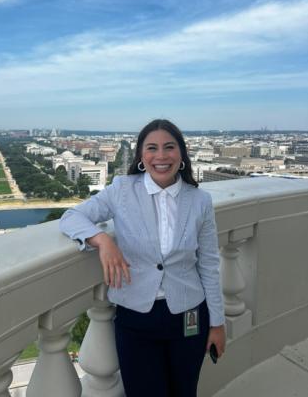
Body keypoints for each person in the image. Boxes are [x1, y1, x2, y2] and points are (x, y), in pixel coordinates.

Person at [59, 119, 226, 396]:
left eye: (169, 147)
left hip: (190, 316)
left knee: (185, 391)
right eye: (152, 148)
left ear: (182, 154)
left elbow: (208, 264)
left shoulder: (200, 201)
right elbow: (72, 217)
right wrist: (102, 242)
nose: (161, 156)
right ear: (141, 155)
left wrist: (217, 324)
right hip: (136, 316)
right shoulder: (122, 189)